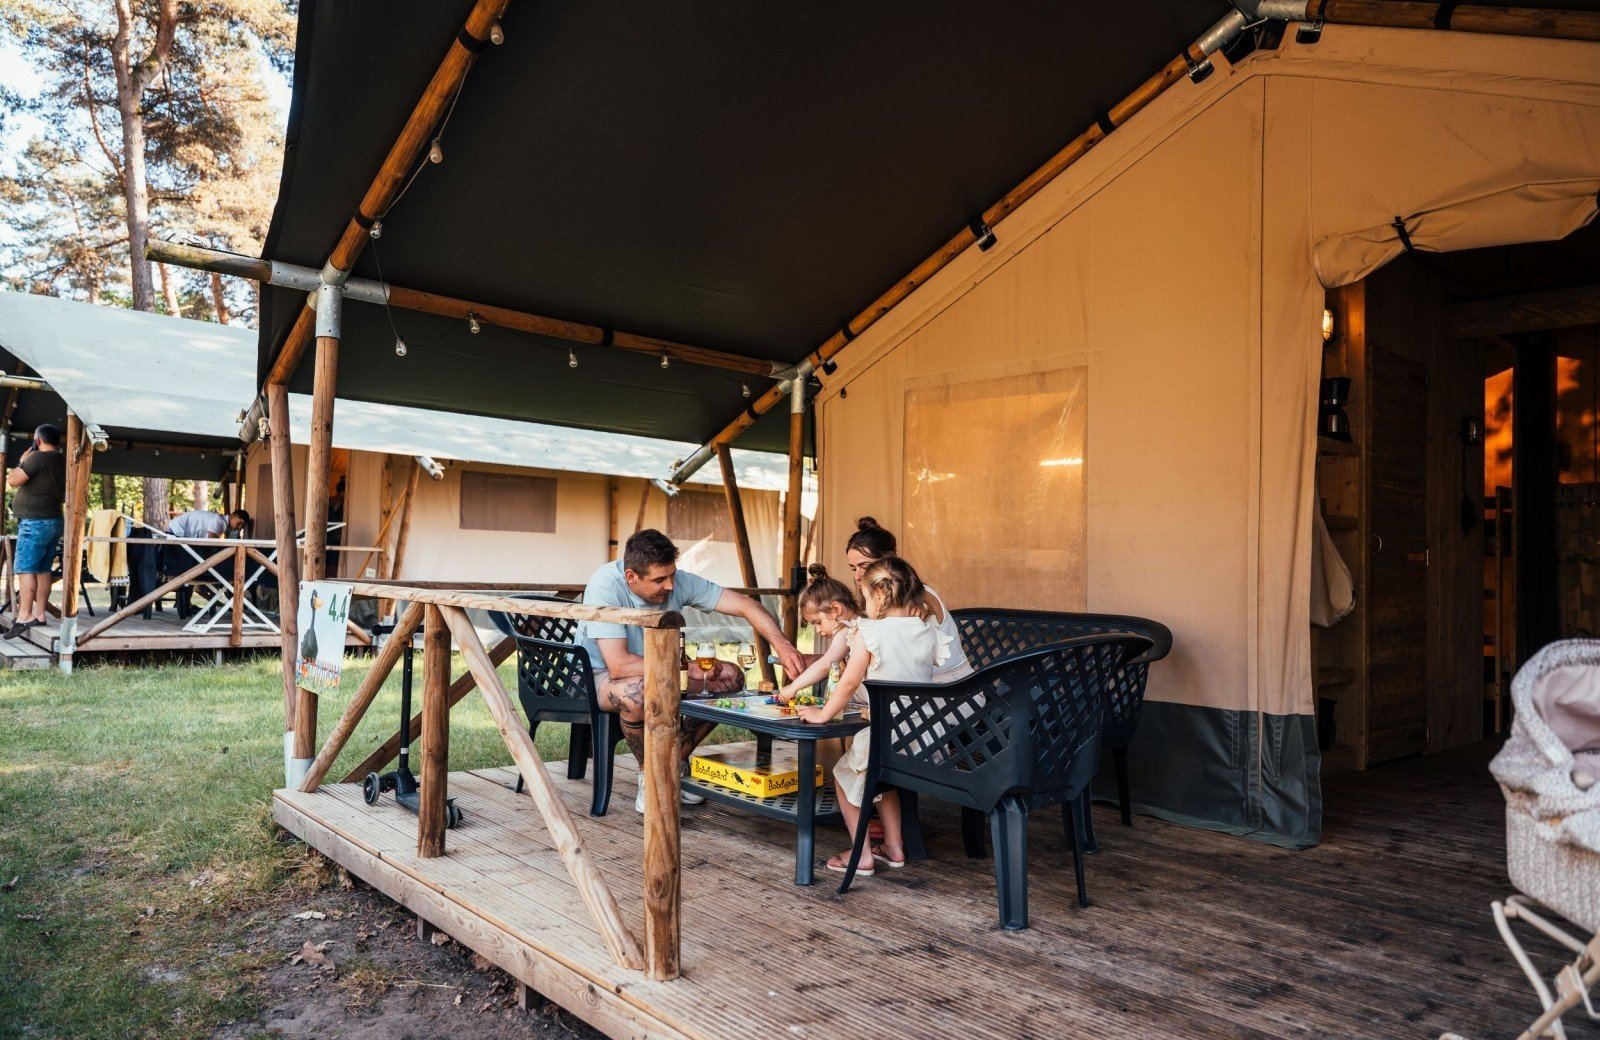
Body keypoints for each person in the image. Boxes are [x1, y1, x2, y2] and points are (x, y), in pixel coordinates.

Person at [576, 528, 805, 813]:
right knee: (637, 693)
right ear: (631, 577)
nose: (670, 586)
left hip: (659, 671)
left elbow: (746, 605)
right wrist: (685, 666)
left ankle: (673, 767)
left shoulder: (677, 582)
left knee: (729, 680)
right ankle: (650, 777)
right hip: (597, 675)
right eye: (659, 580)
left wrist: (783, 645)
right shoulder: (606, 585)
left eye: (672, 575)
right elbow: (619, 665)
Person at [797, 557, 951, 876]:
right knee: (884, 781)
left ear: (879, 595)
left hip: (888, 733)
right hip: (926, 734)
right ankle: (894, 849)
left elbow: (851, 680)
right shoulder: (926, 628)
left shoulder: (869, 631)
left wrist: (824, 713)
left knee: (843, 775)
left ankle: (862, 854)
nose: (864, 603)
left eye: (865, 596)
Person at [844, 516, 972, 682]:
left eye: (865, 566)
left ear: (889, 561)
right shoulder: (877, 599)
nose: (857, 576)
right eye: (853, 568)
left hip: (948, 688)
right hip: (912, 690)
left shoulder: (917, 596)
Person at [4, 424, 66, 638]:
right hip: (53, 520)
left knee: (26, 568)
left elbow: (12, 480)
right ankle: (40, 614)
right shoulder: (62, 461)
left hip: (34, 522)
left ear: (38, 440)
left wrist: (22, 461)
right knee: (43, 569)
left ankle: (24, 616)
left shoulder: (37, 458)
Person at [161, 508, 250, 619]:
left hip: (176, 531)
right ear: (232, 516)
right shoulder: (220, 523)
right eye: (239, 523)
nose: (239, 527)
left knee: (192, 570)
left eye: (242, 527)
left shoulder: (219, 520)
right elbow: (210, 543)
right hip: (176, 533)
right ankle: (192, 605)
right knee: (191, 571)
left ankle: (189, 604)